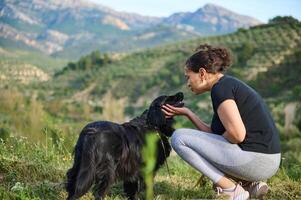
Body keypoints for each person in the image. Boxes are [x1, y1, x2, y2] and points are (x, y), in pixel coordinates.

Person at [161, 44, 281, 200]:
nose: (187, 83)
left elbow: (237, 135)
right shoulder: (227, 85)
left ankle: (232, 189)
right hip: (267, 160)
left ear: (202, 73)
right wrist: (188, 113)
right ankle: (248, 185)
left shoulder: (220, 89)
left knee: (179, 138)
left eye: (188, 76)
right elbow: (214, 137)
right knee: (201, 144)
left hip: (257, 160)